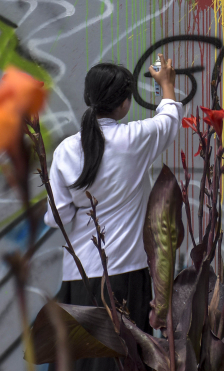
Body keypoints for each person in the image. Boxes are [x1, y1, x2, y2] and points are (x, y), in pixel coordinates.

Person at [44, 56, 181, 371]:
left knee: (77, 361)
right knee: (124, 360)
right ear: (124, 103)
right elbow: (170, 118)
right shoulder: (134, 139)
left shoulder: (67, 149)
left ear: (88, 98)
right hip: (125, 275)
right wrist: (167, 84)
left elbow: (57, 218)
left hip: (77, 276)